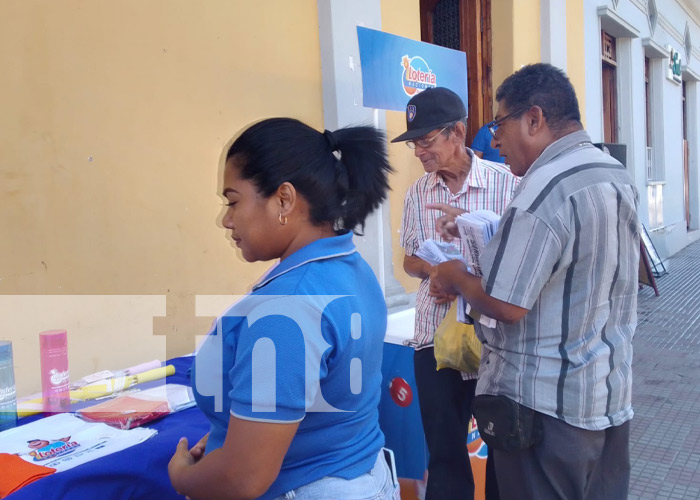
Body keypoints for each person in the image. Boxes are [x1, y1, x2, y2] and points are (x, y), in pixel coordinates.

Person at [429, 63, 639, 500]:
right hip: (608, 396)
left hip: (545, 413)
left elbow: (506, 305)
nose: (495, 139)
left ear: (535, 118)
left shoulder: (543, 189)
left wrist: (458, 276)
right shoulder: (613, 171)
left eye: (499, 124)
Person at [168, 118, 398, 500]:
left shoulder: (288, 306)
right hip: (362, 474)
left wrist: (181, 477)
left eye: (233, 201)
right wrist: (237, 431)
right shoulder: (348, 267)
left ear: (284, 200)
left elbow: (243, 478)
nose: (225, 220)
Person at [391, 87, 517, 500]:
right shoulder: (417, 193)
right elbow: (409, 260)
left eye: (425, 141)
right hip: (435, 339)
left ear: (458, 133)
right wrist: (433, 271)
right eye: (414, 143)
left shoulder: (508, 185)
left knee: (503, 453)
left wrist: (465, 267)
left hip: (496, 341)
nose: (418, 153)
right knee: (444, 455)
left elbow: (521, 258)